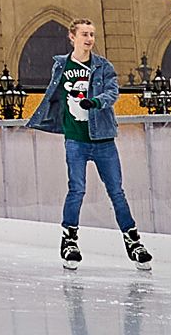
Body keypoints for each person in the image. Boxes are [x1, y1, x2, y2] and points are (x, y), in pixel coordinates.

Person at [24, 18, 150, 265]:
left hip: (103, 138)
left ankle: (133, 239)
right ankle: (69, 239)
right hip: (75, 140)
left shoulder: (103, 66)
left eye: (92, 34)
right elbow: (54, 94)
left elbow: (113, 92)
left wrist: (95, 102)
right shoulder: (61, 65)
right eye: (84, 34)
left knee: (116, 191)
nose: (89, 39)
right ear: (72, 37)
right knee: (77, 189)